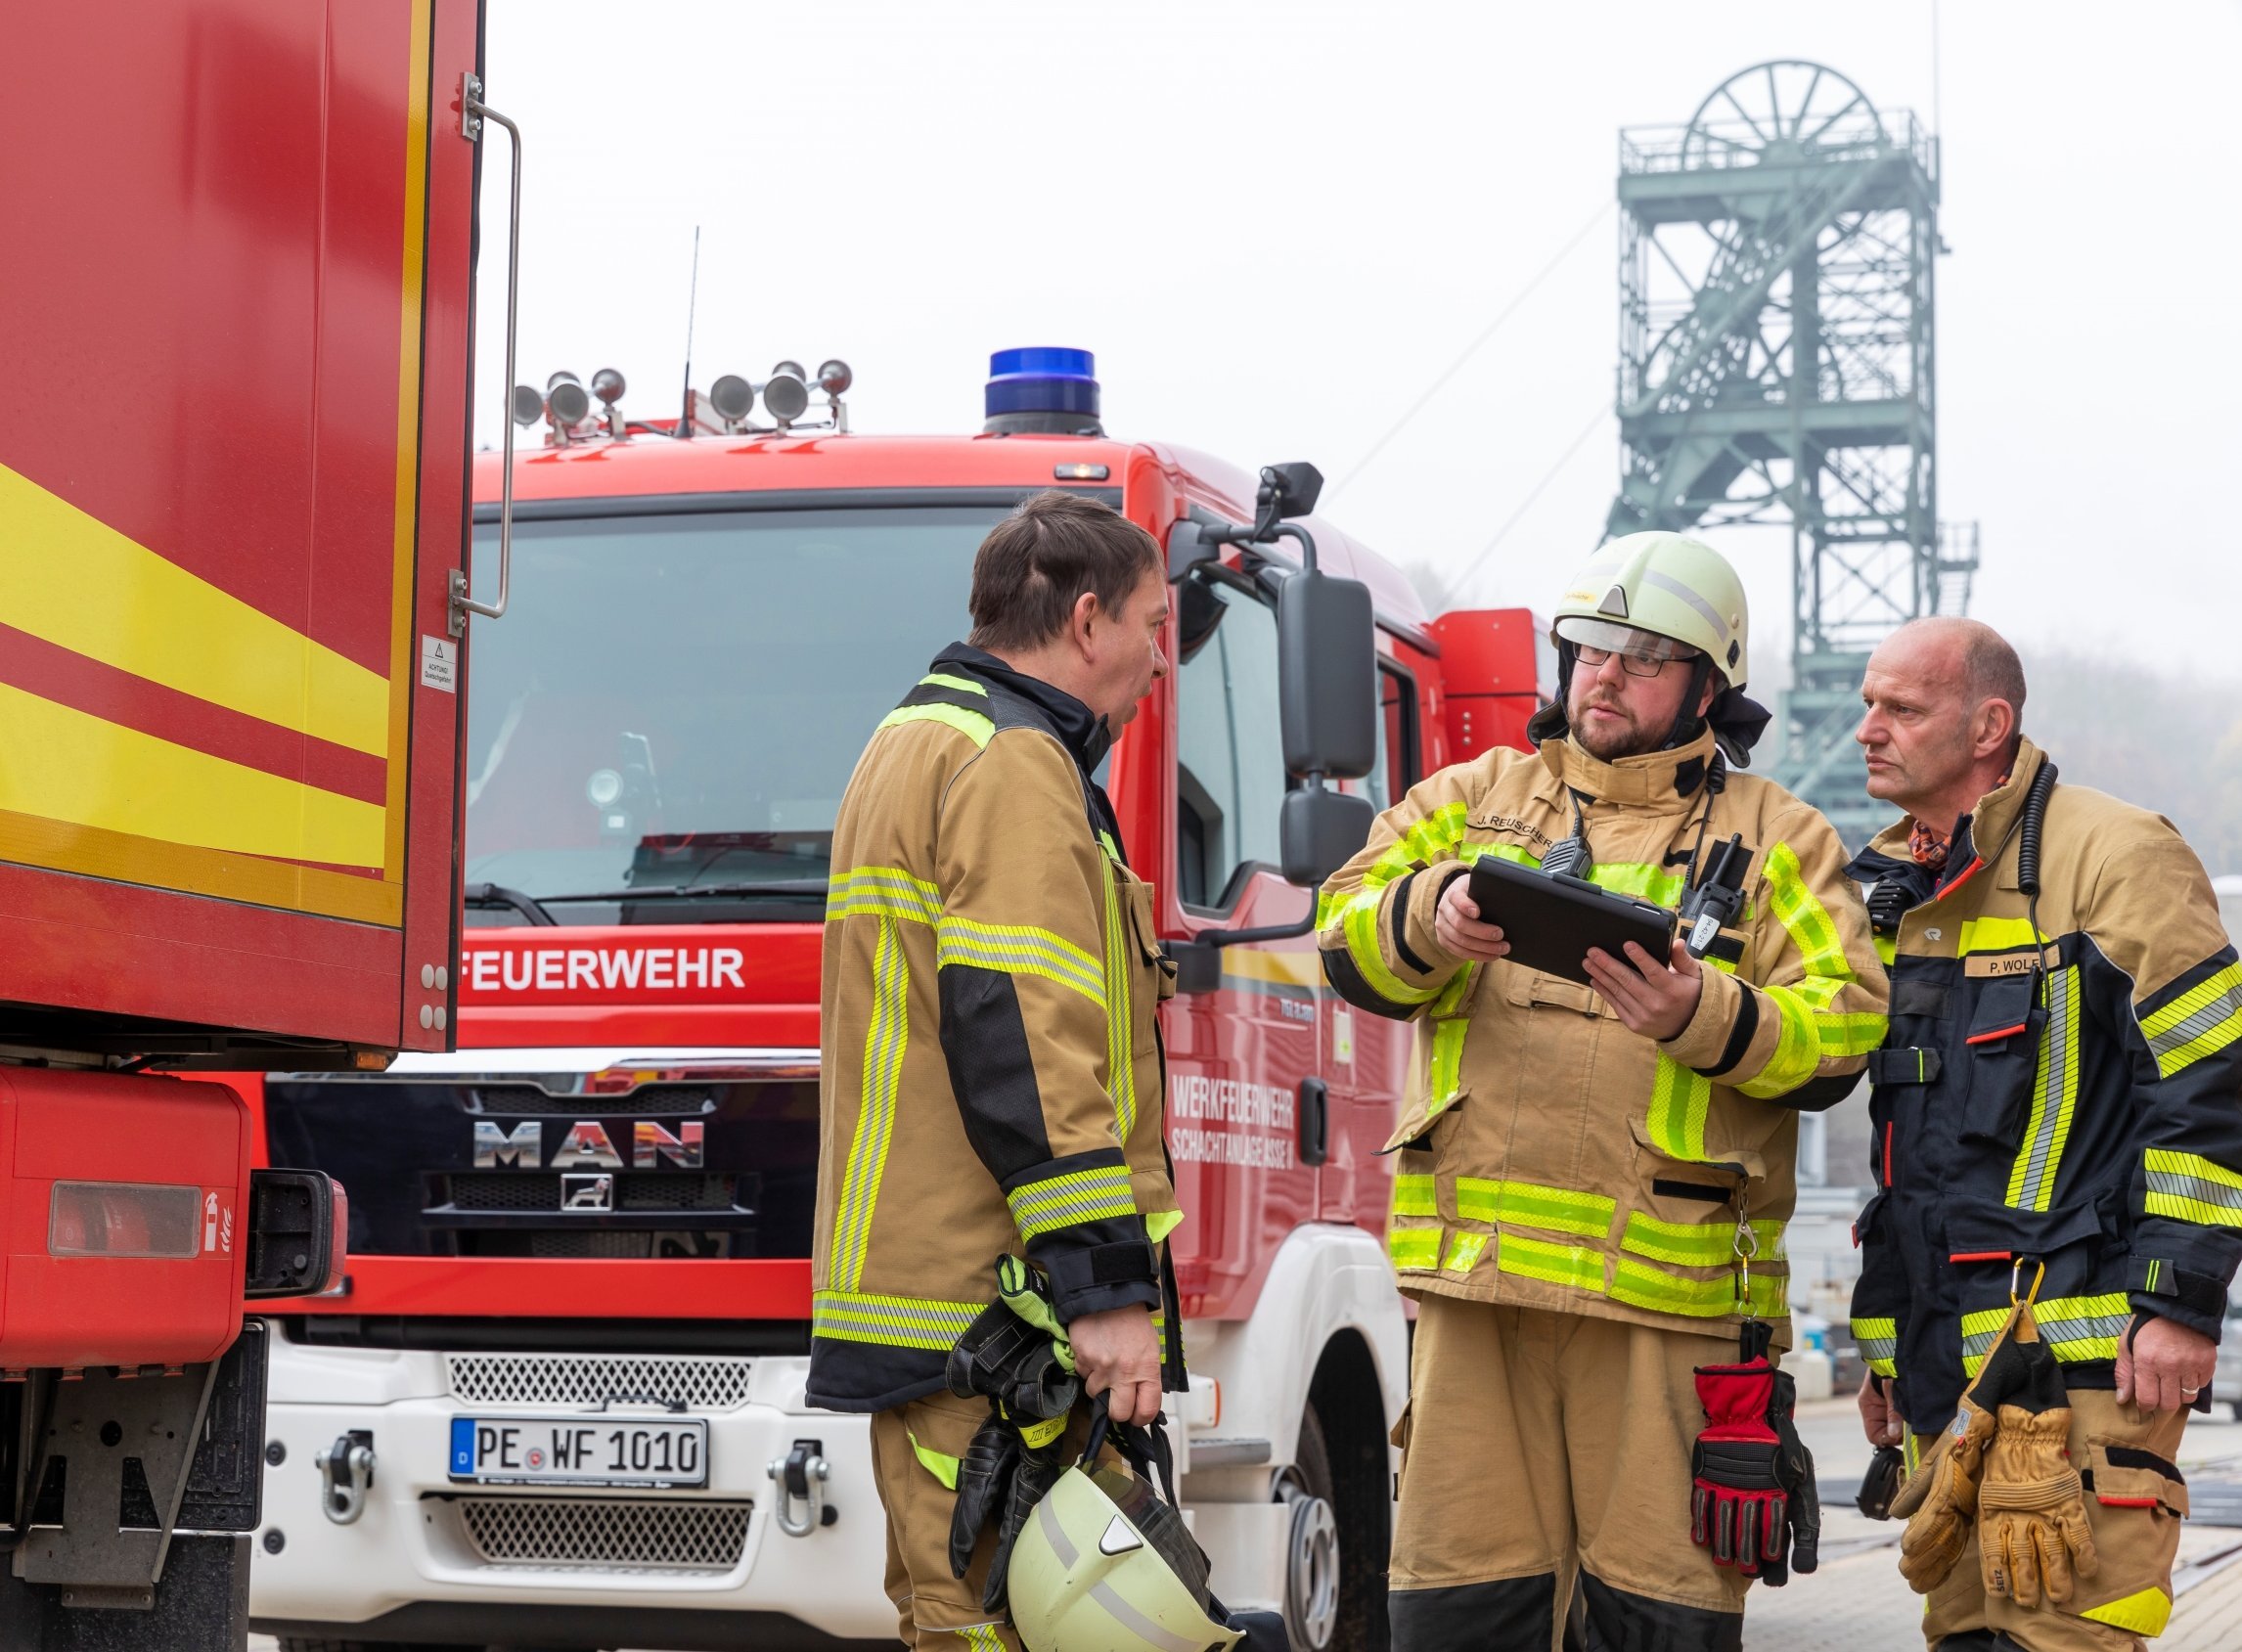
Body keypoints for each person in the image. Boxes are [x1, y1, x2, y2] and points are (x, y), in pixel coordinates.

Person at [1319, 531, 1890, 1651]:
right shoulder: (1472, 800)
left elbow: (1845, 1030)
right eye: (1587, 648)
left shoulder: (1782, 842)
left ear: (1708, 684)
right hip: (1479, 1299)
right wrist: (1425, 919)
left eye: (1642, 656)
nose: (1603, 675)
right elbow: (1338, 935)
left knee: (1657, 1621)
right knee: (1458, 1614)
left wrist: (1701, 1015)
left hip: (1669, 1316)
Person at [812, 490, 1183, 1650]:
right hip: (998, 1317)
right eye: (1154, 625)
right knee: (997, 1626)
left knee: (960, 1614)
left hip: (941, 1303)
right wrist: (1107, 1291)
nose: (1161, 659)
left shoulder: (915, 738)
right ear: (1086, 622)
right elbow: (1024, 1040)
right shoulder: (1016, 764)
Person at [1846, 616, 2242, 1651]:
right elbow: (1915, 1156)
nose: (1866, 730)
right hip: (1954, 1384)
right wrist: (1892, 1354)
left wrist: (2181, 1301)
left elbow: (2212, 1083)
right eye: (1866, 703)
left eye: (1899, 707)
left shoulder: (2119, 856)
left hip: (2095, 1372)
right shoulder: (1901, 894)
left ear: (1990, 724)